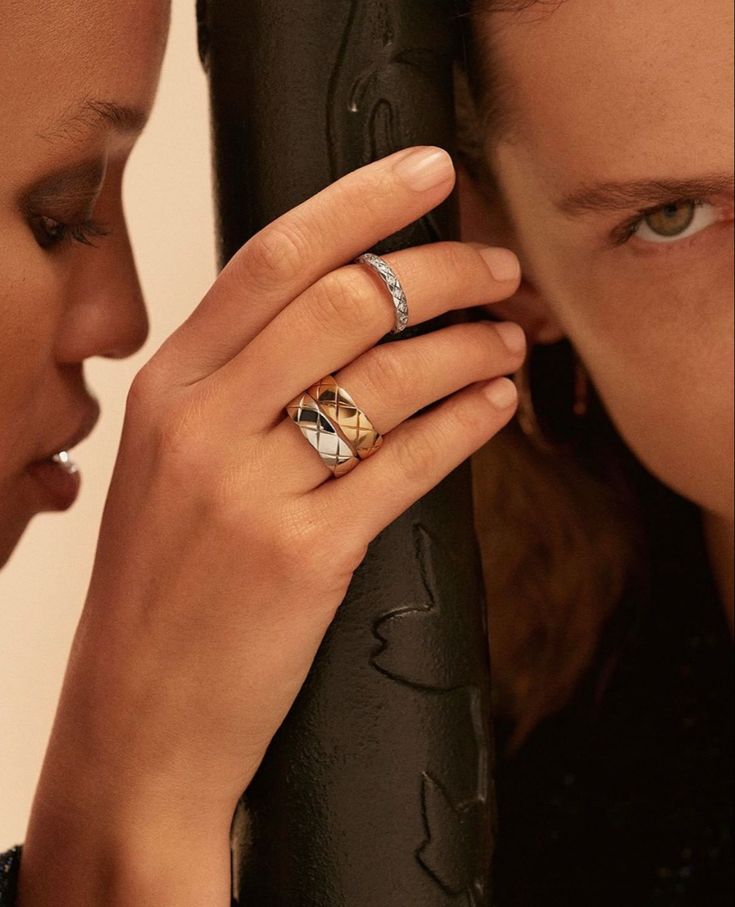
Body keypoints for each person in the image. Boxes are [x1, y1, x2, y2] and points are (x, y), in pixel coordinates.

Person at [0, 0, 731, 904]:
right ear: (500, 250)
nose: (128, 323)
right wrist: (130, 802)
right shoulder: (450, 797)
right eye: (671, 215)